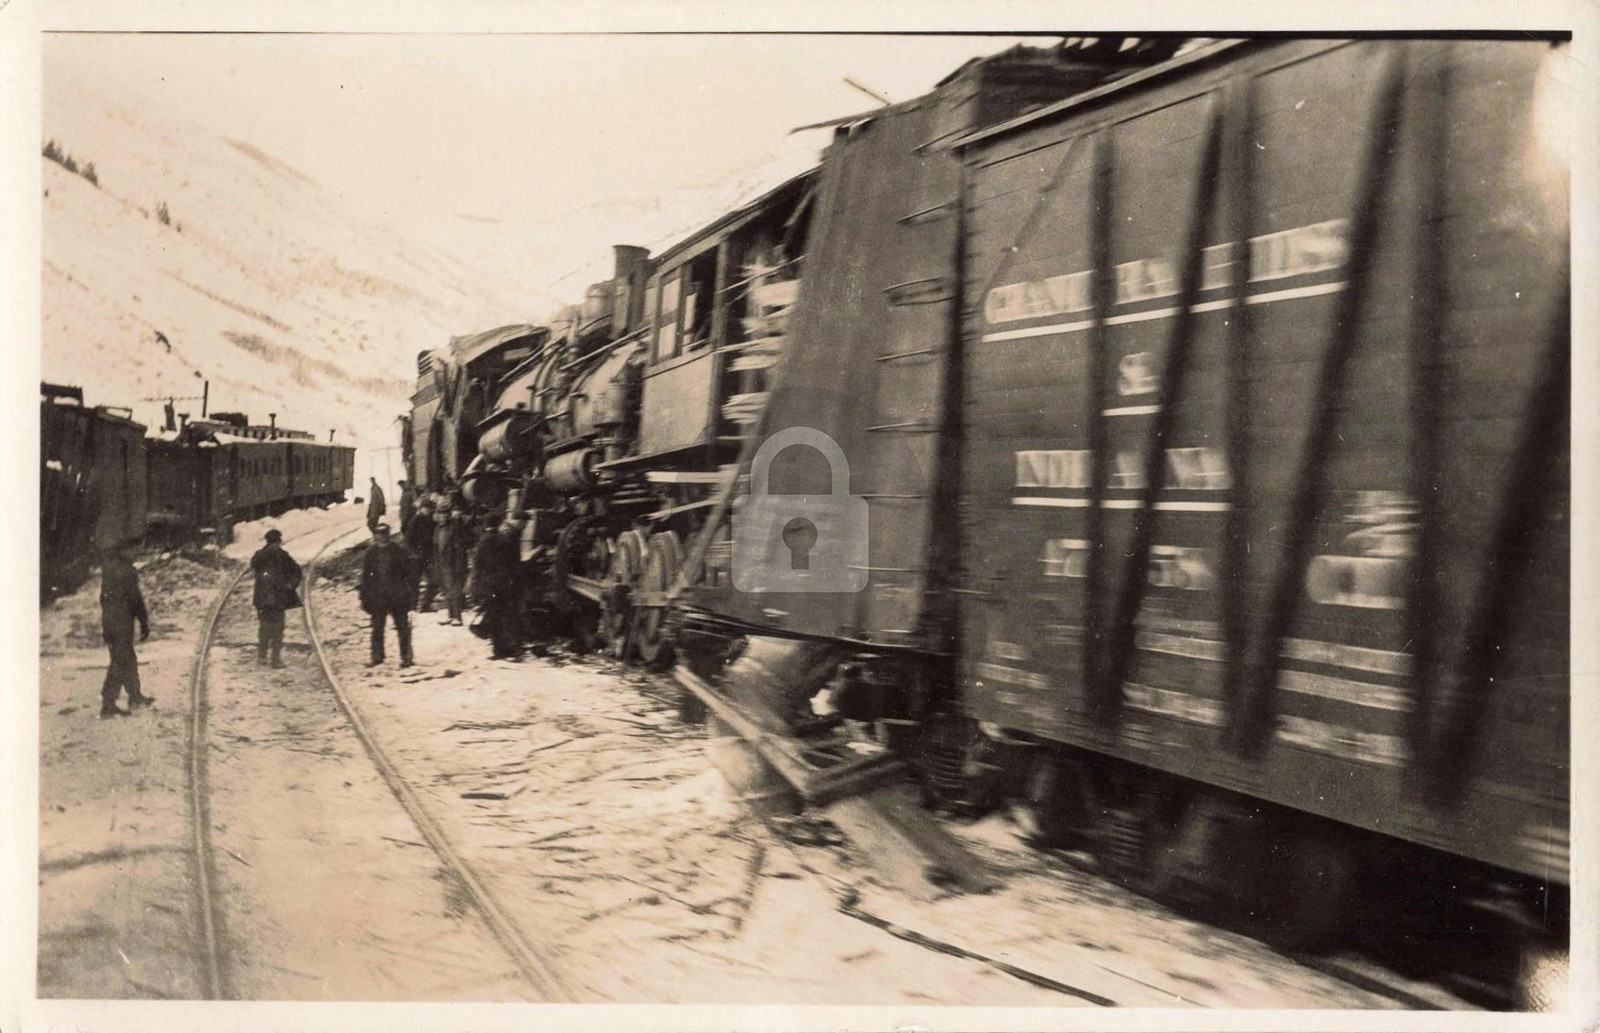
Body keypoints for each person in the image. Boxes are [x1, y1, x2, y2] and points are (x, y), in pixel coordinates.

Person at [99, 538, 152, 718]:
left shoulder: (112, 568)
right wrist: (143, 621)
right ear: (126, 550)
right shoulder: (125, 571)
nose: (136, 553)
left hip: (112, 621)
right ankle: (108, 703)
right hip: (119, 622)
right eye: (134, 550)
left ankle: (134, 696)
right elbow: (135, 599)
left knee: (126, 658)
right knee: (121, 661)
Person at [359, 522, 419, 668]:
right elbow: (366, 578)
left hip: (397, 597)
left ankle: (406, 656)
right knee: (377, 628)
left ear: (388, 535)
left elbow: (409, 574)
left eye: (384, 534)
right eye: (379, 535)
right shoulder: (370, 553)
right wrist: (364, 596)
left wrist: (410, 595)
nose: (381, 538)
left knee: (403, 628)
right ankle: (377, 656)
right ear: (375, 536)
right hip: (378, 597)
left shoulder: (398, 551)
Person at [470, 519, 523, 660]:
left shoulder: (492, 542)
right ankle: (506, 651)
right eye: (505, 528)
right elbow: (492, 566)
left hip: (496, 587)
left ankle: (504, 651)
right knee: (502, 619)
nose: (507, 531)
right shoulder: (498, 542)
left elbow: (482, 567)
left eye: (509, 529)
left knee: (499, 619)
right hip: (498, 587)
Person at [250, 528, 303, 668]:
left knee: (267, 628)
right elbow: (297, 571)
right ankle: (272, 659)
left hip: (268, 599)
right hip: (273, 598)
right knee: (274, 628)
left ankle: (267, 657)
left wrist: (291, 584)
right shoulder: (278, 555)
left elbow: (296, 571)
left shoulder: (267, 555)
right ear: (277, 541)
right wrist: (291, 585)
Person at [435, 504, 470, 626]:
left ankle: (457, 617)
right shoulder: (438, 528)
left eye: (445, 514)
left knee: (454, 590)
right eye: (440, 514)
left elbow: (460, 548)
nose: (442, 516)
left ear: (448, 515)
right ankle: (450, 615)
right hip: (442, 562)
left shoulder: (454, 528)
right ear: (437, 515)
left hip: (453, 563)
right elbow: (436, 546)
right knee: (446, 589)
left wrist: (460, 565)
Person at [404, 497, 437, 612]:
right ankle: (413, 605)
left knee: (434, 580)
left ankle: (425, 604)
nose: (427, 510)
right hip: (416, 557)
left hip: (428, 556)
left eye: (429, 508)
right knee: (414, 582)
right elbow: (408, 540)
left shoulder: (431, 521)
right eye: (425, 508)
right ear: (421, 508)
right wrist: (414, 553)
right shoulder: (415, 521)